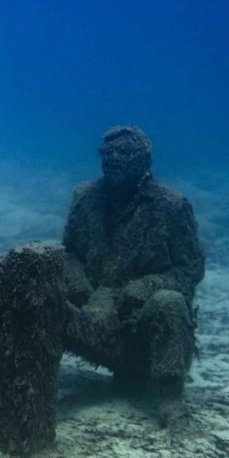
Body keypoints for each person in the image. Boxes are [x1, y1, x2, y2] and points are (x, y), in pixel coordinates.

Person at [62, 125, 205, 428]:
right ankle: (8, 372)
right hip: (89, 315)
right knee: (35, 286)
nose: (113, 159)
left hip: (138, 328)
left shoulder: (172, 207)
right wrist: (77, 283)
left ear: (143, 161)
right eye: (107, 153)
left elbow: (191, 268)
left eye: (123, 153)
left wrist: (147, 286)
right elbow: (69, 252)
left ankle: (171, 402)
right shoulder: (84, 198)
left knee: (169, 302)